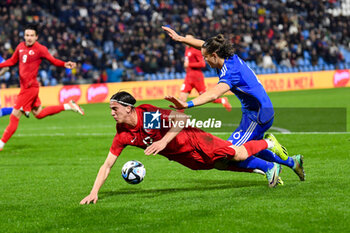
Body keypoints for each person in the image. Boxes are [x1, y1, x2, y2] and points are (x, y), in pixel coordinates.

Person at [80, 91, 287, 205]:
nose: (112, 113)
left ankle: (269, 143)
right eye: (111, 110)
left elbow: (182, 117)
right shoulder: (123, 133)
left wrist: (163, 142)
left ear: (128, 108)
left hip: (193, 138)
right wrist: (93, 192)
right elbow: (107, 165)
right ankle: (267, 168)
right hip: (180, 156)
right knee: (221, 165)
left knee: (236, 153)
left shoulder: (147, 116)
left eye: (114, 109)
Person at [162, 26, 304, 181]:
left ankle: (270, 156)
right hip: (253, 112)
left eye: (206, 58)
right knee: (253, 149)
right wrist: (181, 39)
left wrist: (187, 105)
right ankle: (292, 162)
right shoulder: (228, 57)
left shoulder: (230, 72)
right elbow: (203, 45)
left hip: (257, 116)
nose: (205, 60)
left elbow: (215, 93)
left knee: (227, 153)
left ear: (215, 56)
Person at [0, 24, 84, 151]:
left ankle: (1, 144)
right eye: (27, 35)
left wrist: (64, 64)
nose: (29, 38)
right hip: (25, 87)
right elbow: (11, 61)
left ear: (36, 37)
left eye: (31, 35)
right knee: (38, 114)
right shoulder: (20, 47)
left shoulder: (40, 49)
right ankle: (68, 105)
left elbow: (53, 60)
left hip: (30, 88)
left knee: (14, 116)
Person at [180, 33, 232, 112]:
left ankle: (222, 100)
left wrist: (189, 64)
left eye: (189, 39)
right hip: (188, 77)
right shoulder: (187, 49)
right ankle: (178, 121)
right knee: (181, 99)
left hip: (197, 77)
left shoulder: (196, 50)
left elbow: (202, 63)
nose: (187, 41)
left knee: (205, 96)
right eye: (186, 39)